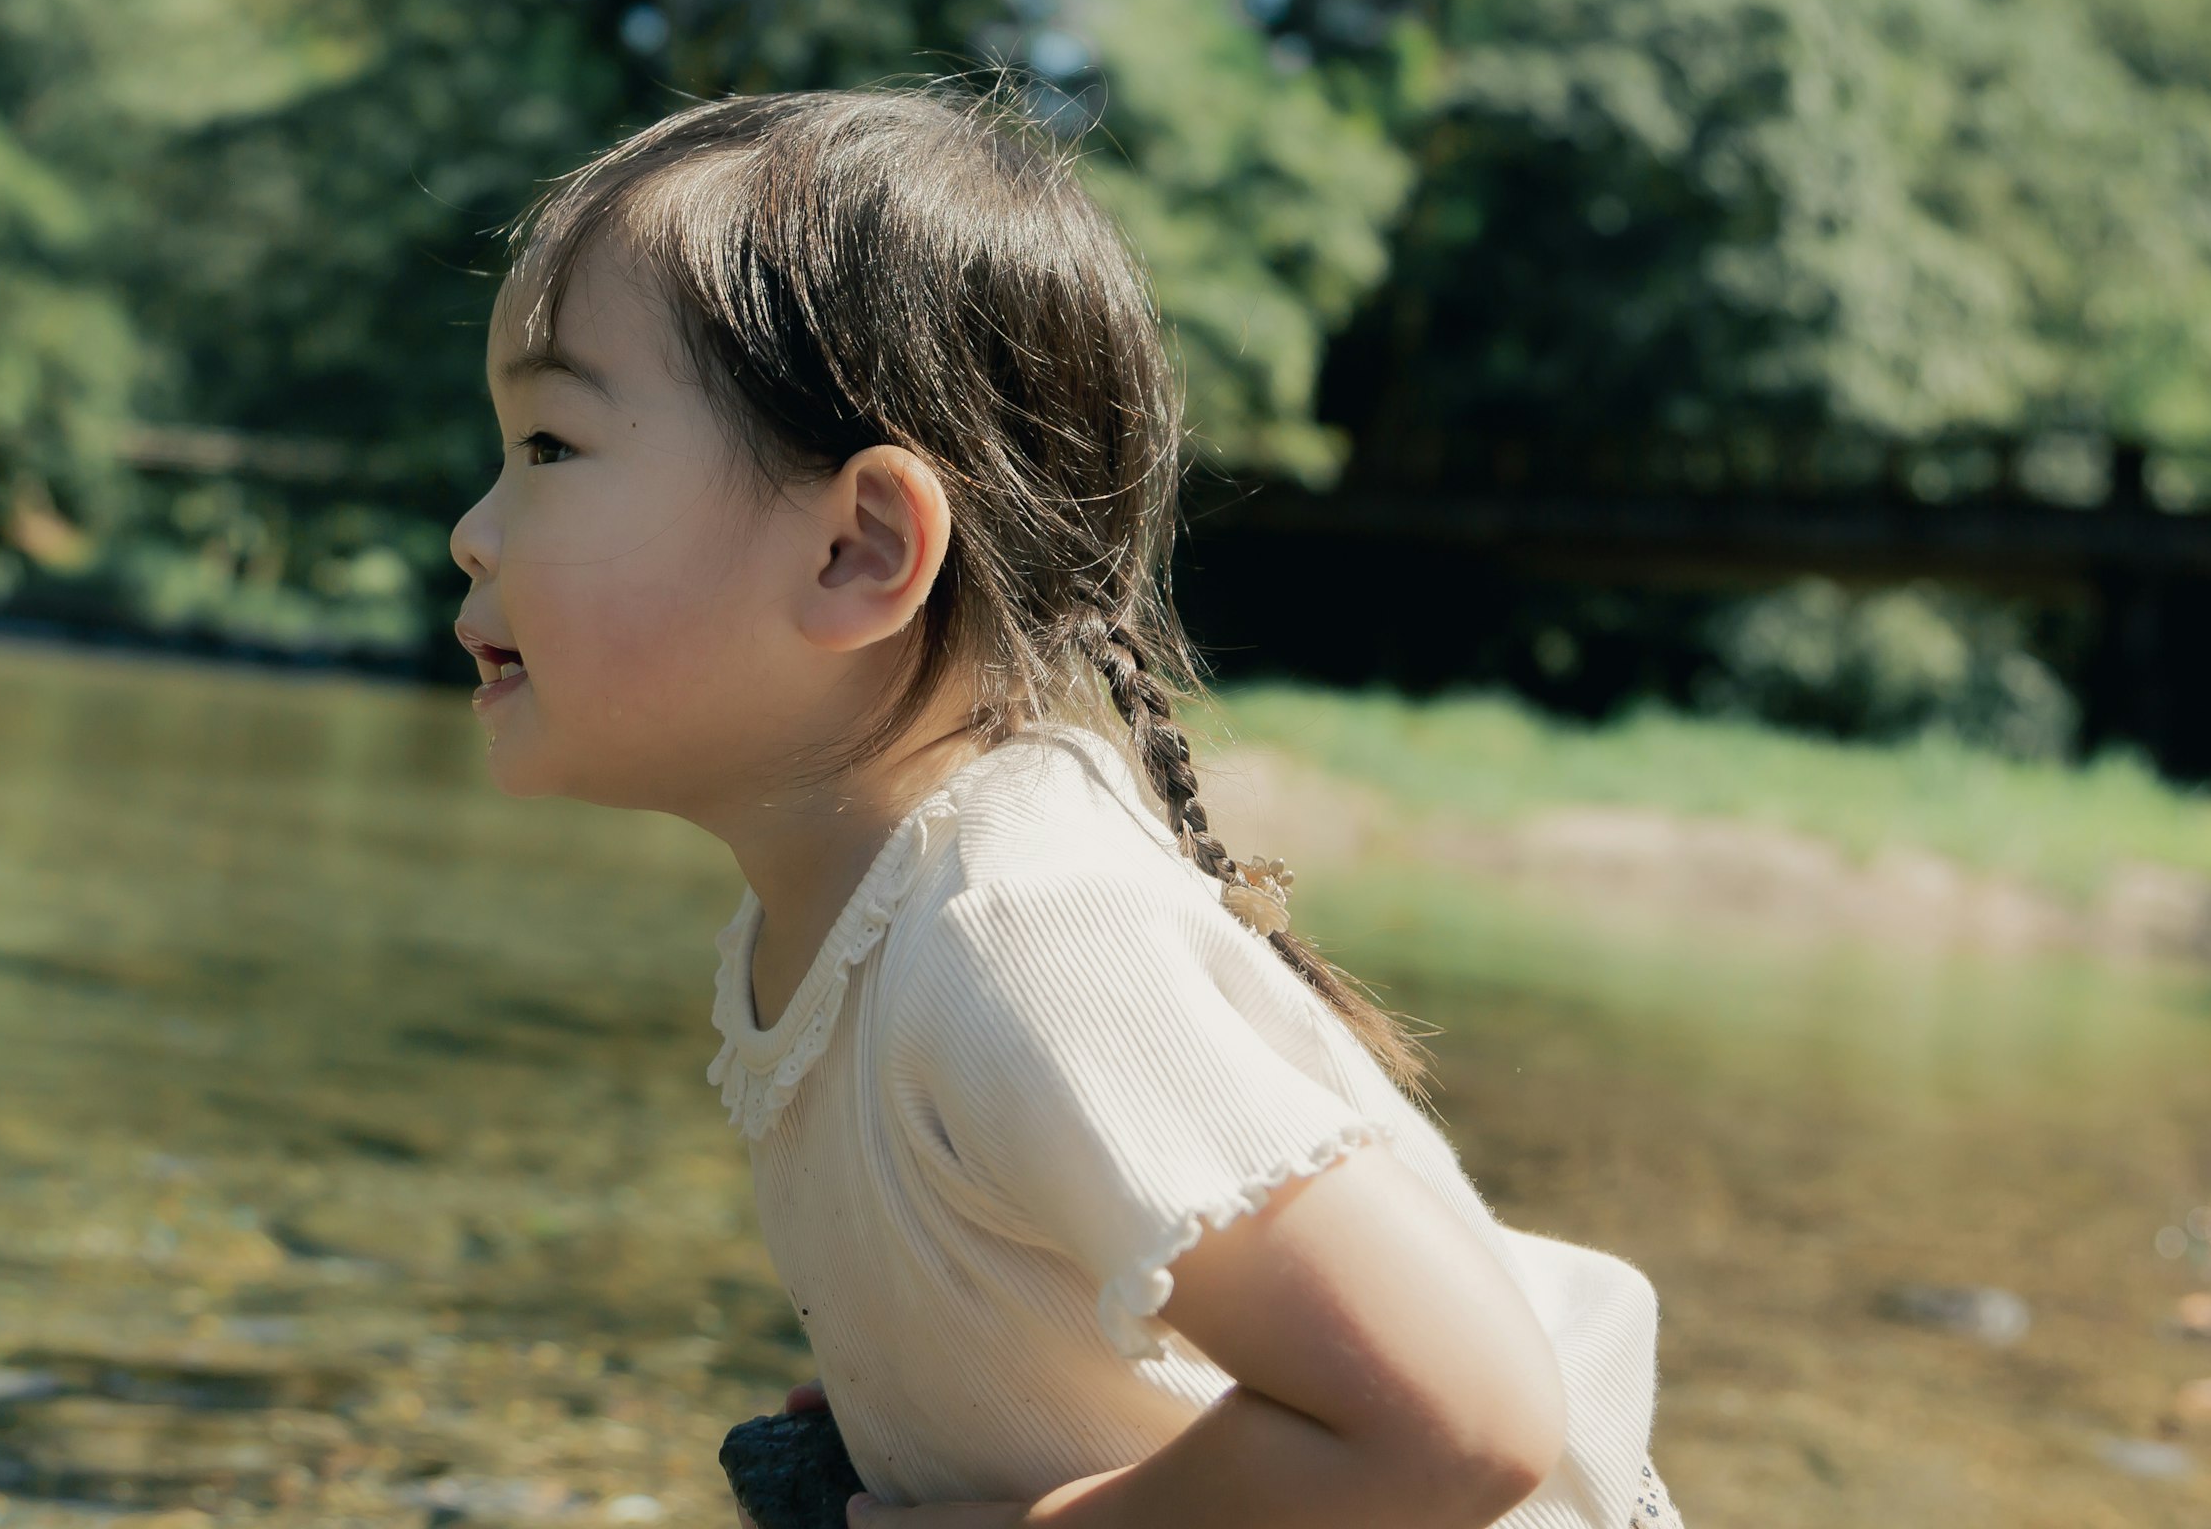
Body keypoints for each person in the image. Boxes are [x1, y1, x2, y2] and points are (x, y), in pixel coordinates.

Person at [448, 88, 1676, 1528]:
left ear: (857, 548)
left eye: (548, 449)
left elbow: (1462, 1427)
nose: (472, 529)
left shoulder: (1021, 930)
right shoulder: (843, 905)